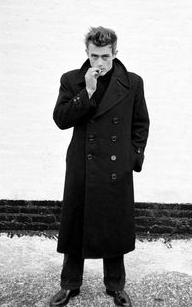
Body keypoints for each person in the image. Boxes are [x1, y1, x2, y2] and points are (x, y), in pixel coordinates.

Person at [50, 26, 150, 307]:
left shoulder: (132, 82)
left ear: (115, 53)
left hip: (116, 168)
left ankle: (115, 286)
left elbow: (141, 123)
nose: (100, 63)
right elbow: (61, 119)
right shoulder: (71, 80)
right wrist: (88, 91)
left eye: (105, 56)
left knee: (113, 226)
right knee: (75, 225)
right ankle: (70, 285)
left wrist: (133, 157)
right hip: (83, 165)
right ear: (87, 53)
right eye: (94, 56)